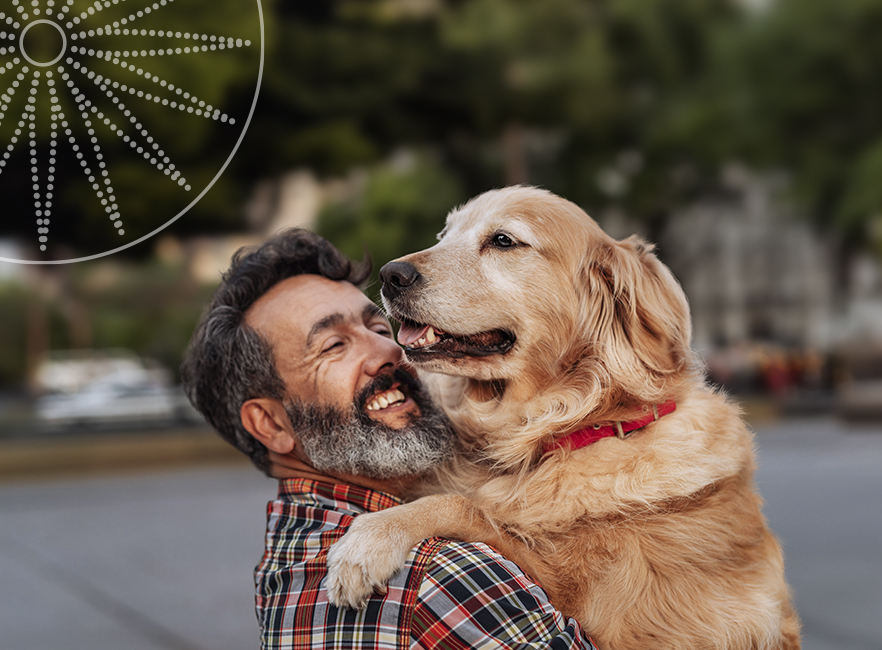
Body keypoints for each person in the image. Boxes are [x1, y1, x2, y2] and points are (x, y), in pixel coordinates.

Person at [182, 229, 596, 650]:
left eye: (379, 326)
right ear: (270, 424)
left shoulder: (287, 565)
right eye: (333, 345)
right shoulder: (439, 577)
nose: (390, 350)